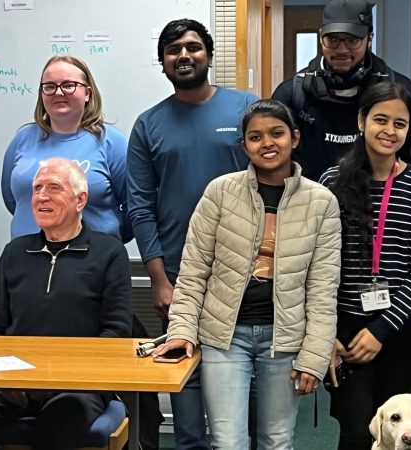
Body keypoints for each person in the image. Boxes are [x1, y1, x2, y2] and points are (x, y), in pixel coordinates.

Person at [154, 99, 340, 449]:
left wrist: (314, 356)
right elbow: (194, 272)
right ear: (243, 146)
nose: (267, 143)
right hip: (225, 337)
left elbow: (322, 287)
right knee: (227, 442)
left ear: (295, 138)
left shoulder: (322, 202)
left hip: (284, 339)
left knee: (276, 440)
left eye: (276, 133)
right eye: (255, 137)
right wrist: (180, 330)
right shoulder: (220, 192)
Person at [127, 18, 259, 450]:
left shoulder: (246, 110)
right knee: (186, 397)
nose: (184, 56)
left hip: (245, 275)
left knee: (251, 401)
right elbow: (141, 206)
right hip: (181, 277)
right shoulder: (149, 125)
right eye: (173, 50)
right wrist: (160, 281)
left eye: (192, 47)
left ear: (208, 53)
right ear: (163, 63)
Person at [0, 158, 131, 450]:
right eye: (37, 188)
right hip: (14, 383)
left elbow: (115, 334)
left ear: (80, 200)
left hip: (78, 384)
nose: (41, 196)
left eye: (54, 188)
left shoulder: (109, 253)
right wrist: (5, 379)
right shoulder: (15, 252)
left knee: (55, 426)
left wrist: (58, 380)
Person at [318, 82, 411, 450]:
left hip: (399, 328)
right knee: (356, 431)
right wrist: (327, 332)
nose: (389, 131)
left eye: (400, 124)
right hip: (346, 331)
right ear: (361, 121)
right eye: (380, 120)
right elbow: (321, 265)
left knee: (400, 438)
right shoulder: (331, 182)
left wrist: (382, 329)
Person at [271, 0, 411, 180]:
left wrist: (406, 197)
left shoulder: (400, 91)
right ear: (321, 38)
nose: (342, 49)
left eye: (352, 40)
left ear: (369, 39)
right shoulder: (293, 94)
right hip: (311, 203)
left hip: (382, 202)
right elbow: (271, 156)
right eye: (332, 39)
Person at [1, 55, 129, 241]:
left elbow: (133, 207)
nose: (58, 93)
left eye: (69, 85)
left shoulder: (112, 142)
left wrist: (106, 243)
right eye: (50, 86)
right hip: (28, 258)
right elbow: (13, 200)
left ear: (88, 93)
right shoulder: (22, 139)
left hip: (93, 260)